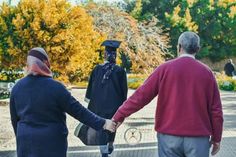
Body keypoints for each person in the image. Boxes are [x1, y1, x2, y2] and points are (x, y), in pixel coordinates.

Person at [113, 32, 223, 157]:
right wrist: (216, 138)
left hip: (168, 136)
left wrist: (119, 115)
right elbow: (216, 110)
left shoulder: (164, 69)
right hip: (198, 137)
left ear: (179, 47)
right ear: (197, 49)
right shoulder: (207, 73)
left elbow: (140, 96)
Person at [10, 47, 116, 157]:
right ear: (46, 63)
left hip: (26, 143)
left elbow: (15, 120)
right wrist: (103, 123)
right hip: (52, 143)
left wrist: (22, 136)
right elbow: (79, 111)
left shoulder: (17, 88)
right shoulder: (56, 88)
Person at [85, 40, 128, 157]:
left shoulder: (97, 69)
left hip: (98, 105)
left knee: (101, 127)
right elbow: (124, 91)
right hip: (114, 106)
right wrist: (124, 106)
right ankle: (109, 143)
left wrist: (89, 100)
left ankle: (104, 149)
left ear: (105, 54)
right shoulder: (120, 71)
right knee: (111, 126)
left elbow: (90, 88)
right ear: (116, 55)